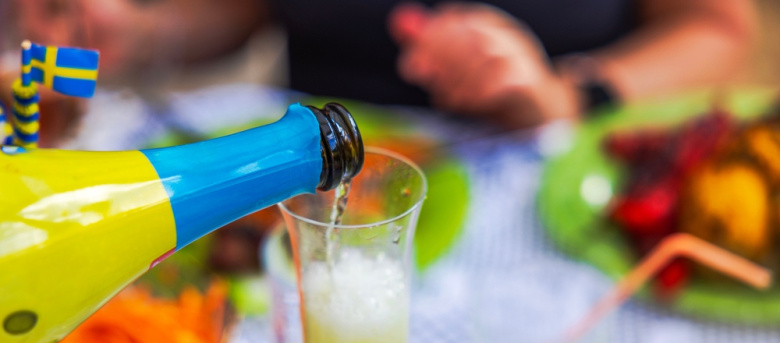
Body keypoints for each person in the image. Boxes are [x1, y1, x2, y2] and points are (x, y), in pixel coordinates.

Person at [9, 0, 758, 129]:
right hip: (302, 183)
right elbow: (252, 10)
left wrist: (565, 96)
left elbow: (720, 27)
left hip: (544, 207)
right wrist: (143, 35)